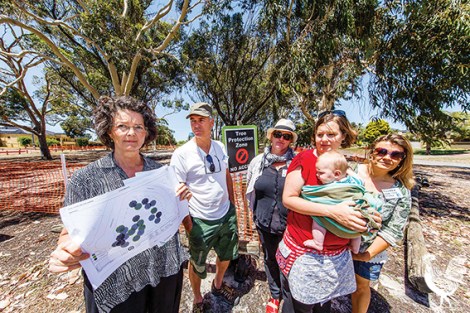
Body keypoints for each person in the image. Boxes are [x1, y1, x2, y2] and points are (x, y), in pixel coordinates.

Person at [48, 96, 191, 313]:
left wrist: (181, 198)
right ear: (109, 131)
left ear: (146, 132)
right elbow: (69, 234)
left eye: (138, 127)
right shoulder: (86, 179)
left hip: (163, 271)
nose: (131, 133)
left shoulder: (162, 173)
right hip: (117, 284)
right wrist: (64, 252)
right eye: (122, 126)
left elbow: (172, 216)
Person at [276, 110, 382, 313]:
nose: (324, 140)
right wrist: (332, 212)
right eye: (320, 134)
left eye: (331, 134)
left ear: (343, 136)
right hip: (306, 253)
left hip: (336, 255)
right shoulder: (305, 160)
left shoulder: (345, 168)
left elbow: (362, 201)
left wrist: (369, 218)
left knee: (324, 303)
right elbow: (289, 199)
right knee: (300, 305)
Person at [170, 102, 239, 313]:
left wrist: (233, 206)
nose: (196, 125)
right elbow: (178, 194)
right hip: (199, 220)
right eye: (193, 121)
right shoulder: (182, 154)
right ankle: (198, 298)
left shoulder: (219, 147)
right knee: (197, 263)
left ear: (211, 122)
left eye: (201, 120)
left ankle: (218, 285)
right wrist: (189, 225)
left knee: (226, 254)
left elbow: (226, 175)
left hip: (225, 215)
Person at [351, 133, 415, 313]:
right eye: (382, 151)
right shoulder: (349, 172)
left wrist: (366, 255)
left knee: (361, 286)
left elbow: (393, 229)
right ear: (371, 152)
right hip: (335, 243)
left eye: (396, 155)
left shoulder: (401, 191)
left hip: (367, 249)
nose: (387, 157)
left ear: (402, 160)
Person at [246, 119, 297, 313]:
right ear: (271, 136)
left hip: (290, 226)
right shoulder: (257, 162)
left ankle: (289, 297)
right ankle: (275, 295)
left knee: (290, 263)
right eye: (278, 134)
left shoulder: (296, 163)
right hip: (264, 222)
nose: (281, 139)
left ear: (291, 140)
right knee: (270, 258)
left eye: (286, 136)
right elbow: (251, 188)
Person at [301, 151, 379, 253]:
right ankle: (355, 248)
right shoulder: (354, 181)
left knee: (318, 218)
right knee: (358, 226)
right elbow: (361, 182)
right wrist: (349, 172)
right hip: (356, 227)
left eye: (321, 172)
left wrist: (306, 191)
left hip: (342, 224)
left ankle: (318, 242)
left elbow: (313, 195)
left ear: (337, 174)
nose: (317, 175)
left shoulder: (330, 187)